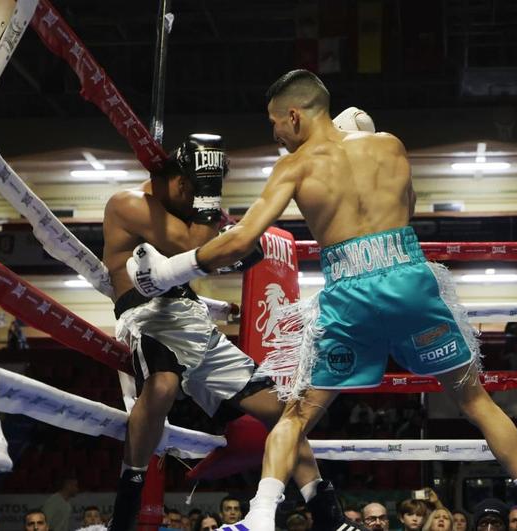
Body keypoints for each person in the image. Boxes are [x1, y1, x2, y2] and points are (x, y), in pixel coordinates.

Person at [126, 69, 517, 531]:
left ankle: (259, 517)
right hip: (408, 280)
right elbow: (406, 209)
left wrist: (170, 271)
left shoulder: (295, 166)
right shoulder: (389, 145)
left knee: (295, 415)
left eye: (275, 123)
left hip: (351, 295)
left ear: (294, 115)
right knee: (475, 400)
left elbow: (240, 243)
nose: (274, 135)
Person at [104, 134, 355, 530]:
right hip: (148, 318)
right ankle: (124, 514)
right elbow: (195, 250)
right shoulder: (128, 203)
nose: (198, 205)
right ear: (185, 183)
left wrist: (236, 242)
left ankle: (329, 516)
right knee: (163, 386)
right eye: (198, 192)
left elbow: (229, 251)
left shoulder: (182, 210)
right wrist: (213, 214)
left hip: (195, 324)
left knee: (284, 411)